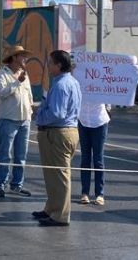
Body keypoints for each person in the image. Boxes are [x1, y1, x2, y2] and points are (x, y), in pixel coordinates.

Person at [32, 50, 82, 227]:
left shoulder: (61, 85)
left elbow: (57, 113)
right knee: (53, 174)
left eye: (51, 63)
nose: (48, 66)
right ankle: (51, 208)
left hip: (57, 132)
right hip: (65, 131)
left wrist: (39, 115)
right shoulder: (72, 82)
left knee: (60, 175)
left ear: (59, 65)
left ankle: (60, 215)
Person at [0, 45, 34, 198]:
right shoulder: (2, 74)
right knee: (4, 154)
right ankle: (0, 184)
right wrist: (17, 82)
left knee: (21, 155)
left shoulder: (25, 74)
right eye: (22, 56)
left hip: (24, 120)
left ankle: (17, 184)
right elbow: (2, 93)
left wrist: (30, 109)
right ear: (15, 57)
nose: (25, 59)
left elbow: (28, 94)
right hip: (8, 119)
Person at [76, 57, 110, 206]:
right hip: (83, 120)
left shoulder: (104, 82)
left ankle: (99, 194)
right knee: (85, 158)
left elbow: (110, 100)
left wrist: (107, 108)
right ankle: (84, 192)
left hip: (99, 121)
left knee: (98, 159)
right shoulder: (78, 81)